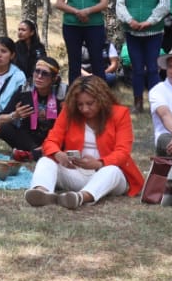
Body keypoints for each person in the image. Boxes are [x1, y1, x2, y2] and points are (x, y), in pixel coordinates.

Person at [23, 75, 141, 209]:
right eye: (80, 104)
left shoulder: (120, 114)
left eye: (90, 103)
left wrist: (98, 163)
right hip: (76, 172)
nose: (84, 109)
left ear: (102, 99)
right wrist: (58, 154)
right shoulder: (69, 111)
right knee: (45, 161)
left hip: (108, 175)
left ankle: (81, 197)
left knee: (112, 170)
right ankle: (41, 193)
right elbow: (50, 141)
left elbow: (123, 152)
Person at [115, 0, 171, 110]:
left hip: (153, 34)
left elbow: (164, 5)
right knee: (137, 69)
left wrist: (149, 22)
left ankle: (156, 104)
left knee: (153, 69)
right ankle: (138, 103)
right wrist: (130, 20)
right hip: (132, 34)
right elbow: (120, 4)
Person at [0, 56, 66, 159]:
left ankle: (34, 153)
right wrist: (15, 115)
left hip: (53, 136)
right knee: (4, 129)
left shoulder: (63, 93)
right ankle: (38, 151)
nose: (39, 76)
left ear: (54, 78)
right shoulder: (24, 89)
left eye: (45, 73)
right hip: (29, 138)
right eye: (37, 71)